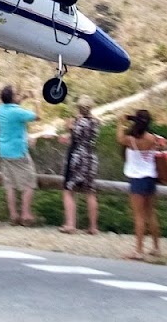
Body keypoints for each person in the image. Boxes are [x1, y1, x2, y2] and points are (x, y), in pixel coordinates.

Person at [116, 109, 167, 261]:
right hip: (150, 177)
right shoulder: (153, 139)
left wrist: (120, 122)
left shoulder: (131, 140)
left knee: (139, 216)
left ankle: (139, 250)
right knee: (151, 214)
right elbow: (162, 145)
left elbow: (119, 138)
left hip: (137, 178)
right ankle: (156, 247)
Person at [0, 86, 40, 225]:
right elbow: (37, 117)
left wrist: (24, 97)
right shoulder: (17, 112)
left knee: (10, 184)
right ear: (12, 97)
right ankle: (26, 215)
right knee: (29, 182)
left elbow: (14, 104)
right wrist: (36, 101)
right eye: (16, 94)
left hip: (4, 151)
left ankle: (13, 215)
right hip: (18, 152)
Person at [59, 95, 101, 235]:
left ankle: (70, 224)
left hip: (77, 156)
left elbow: (74, 136)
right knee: (90, 192)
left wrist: (69, 127)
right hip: (91, 157)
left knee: (68, 190)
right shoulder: (96, 122)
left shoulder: (77, 122)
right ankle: (93, 226)